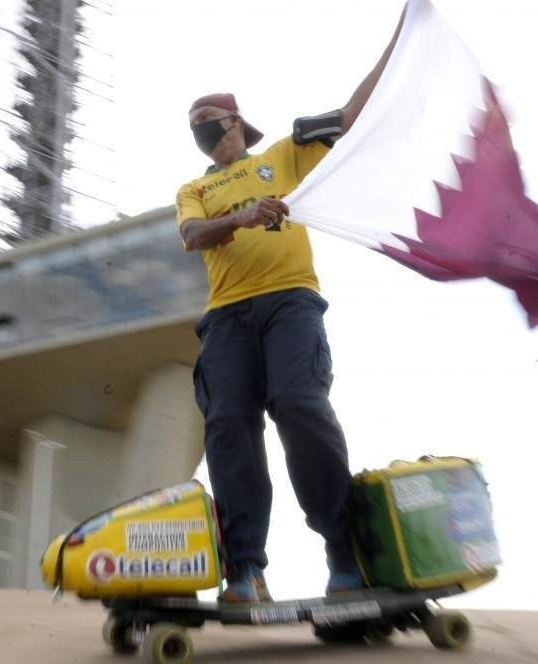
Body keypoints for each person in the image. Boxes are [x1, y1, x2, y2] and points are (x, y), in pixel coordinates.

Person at [176, 10, 405, 603]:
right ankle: (245, 571)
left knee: (300, 405)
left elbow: (351, 116)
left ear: (236, 122)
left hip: (291, 305)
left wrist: (398, 40)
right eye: (194, 124)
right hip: (227, 317)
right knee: (229, 425)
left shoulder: (281, 154)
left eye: (210, 120)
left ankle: (344, 554)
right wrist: (245, 215)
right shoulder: (195, 189)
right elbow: (194, 236)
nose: (202, 129)